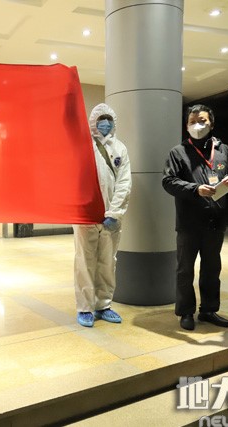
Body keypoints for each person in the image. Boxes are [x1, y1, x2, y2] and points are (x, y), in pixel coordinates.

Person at [162, 104, 228, 331]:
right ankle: (186, 312)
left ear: (212, 123)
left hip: (216, 221)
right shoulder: (178, 152)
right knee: (185, 270)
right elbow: (168, 181)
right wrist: (195, 189)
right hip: (188, 222)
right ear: (186, 125)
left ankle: (209, 310)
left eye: (202, 121)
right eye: (192, 122)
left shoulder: (224, 151)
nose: (197, 125)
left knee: (212, 269)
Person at [73, 103, 132, 327]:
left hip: (111, 218)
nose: (105, 124)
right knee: (84, 262)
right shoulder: (82, 146)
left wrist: (115, 212)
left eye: (108, 120)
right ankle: (85, 308)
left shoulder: (120, 148)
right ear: (93, 122)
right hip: (85, 216)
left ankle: (103, 305)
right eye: (100, 120)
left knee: (108, 262)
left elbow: (124, 183)